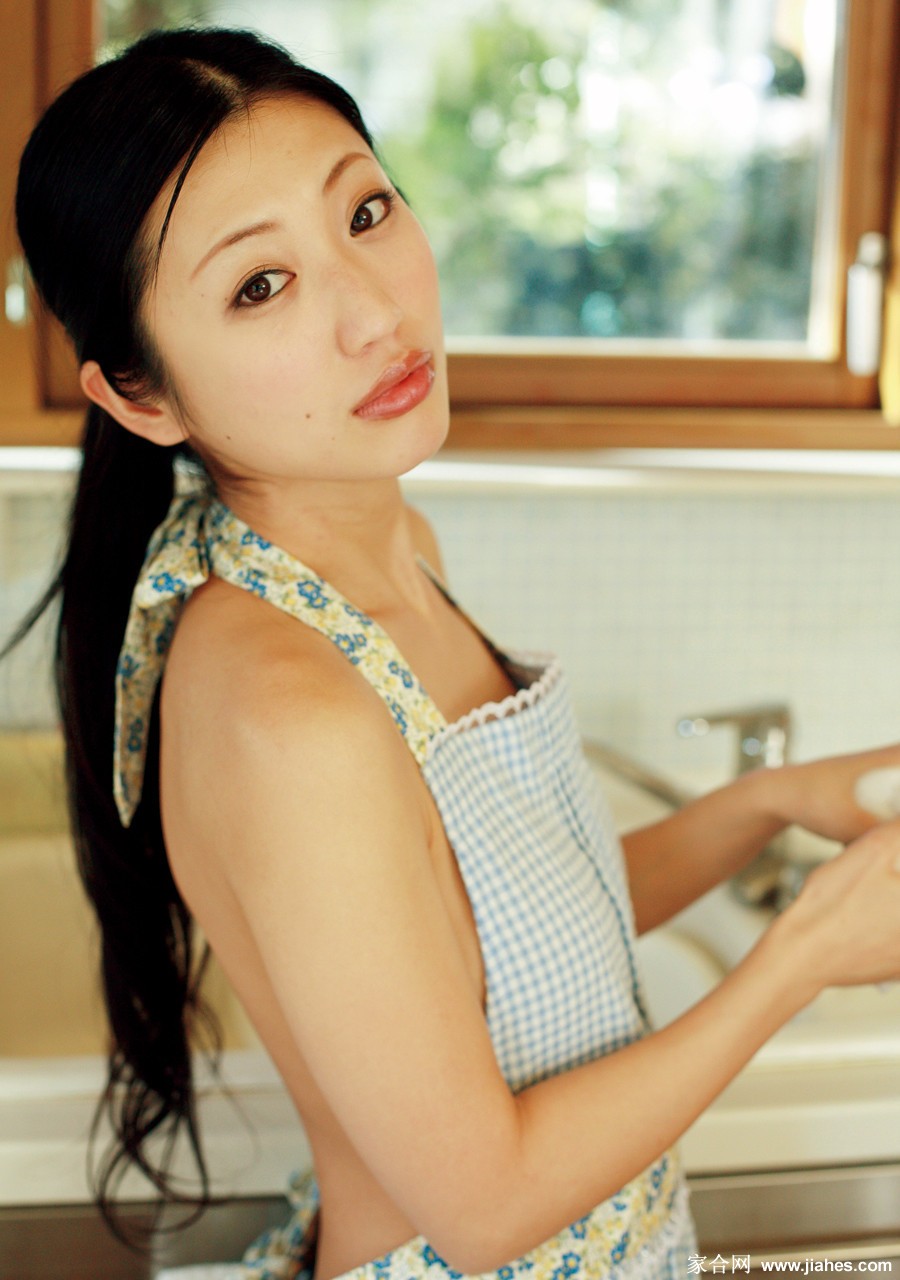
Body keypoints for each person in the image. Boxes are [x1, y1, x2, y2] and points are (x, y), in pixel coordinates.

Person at [7, 25, 900, 1280]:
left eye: (365, 212)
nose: (375, 311)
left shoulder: (390, 553)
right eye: (261, 286)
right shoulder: (288, 707)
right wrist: (805, 954)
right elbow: (484, 1204)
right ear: (142, 396)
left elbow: (505, 934)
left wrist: (769, 802)